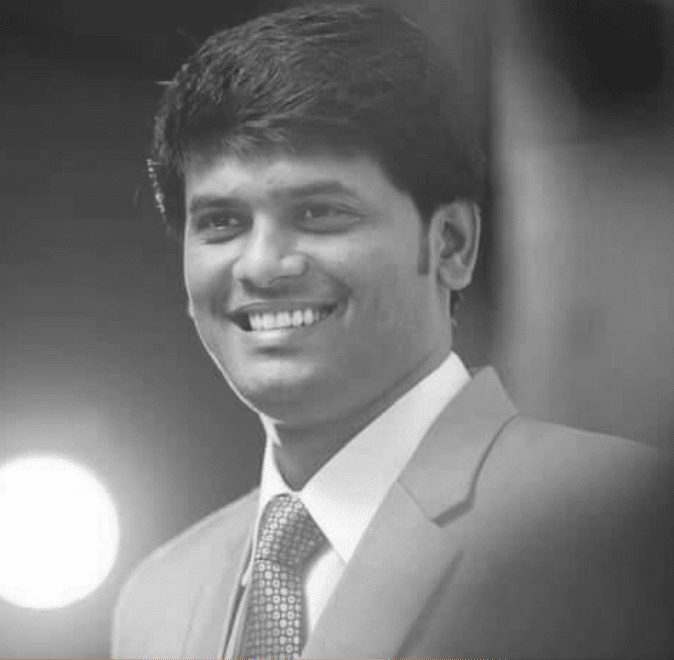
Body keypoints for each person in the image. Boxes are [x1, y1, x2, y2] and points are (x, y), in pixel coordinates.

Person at [111, 3, 673, 658]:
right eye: (221, 223)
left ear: (452, 243)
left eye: (319, 212)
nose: (261, 265)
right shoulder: (157, 597)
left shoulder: (621, 519)